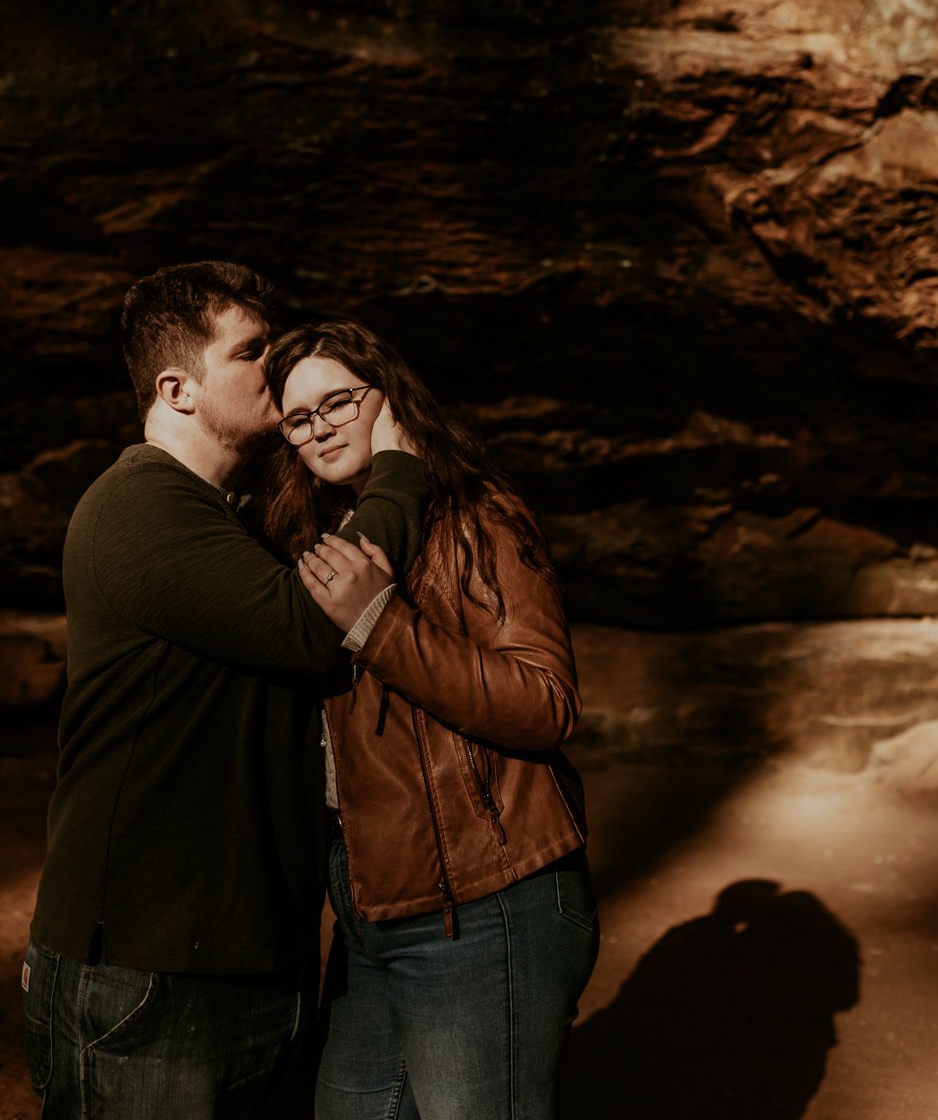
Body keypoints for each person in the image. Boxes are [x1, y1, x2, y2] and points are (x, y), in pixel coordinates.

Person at [22, 262, 428, 1118]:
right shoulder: (140, 505)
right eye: (251, 353)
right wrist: (397, 472)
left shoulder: (226, 516)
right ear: (176, 387)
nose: (276, 371)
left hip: (244, 960)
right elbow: (311, 625)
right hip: (149, 974)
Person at [262, 318, 600, 1120]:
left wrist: (380, 624)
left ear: (389, 397)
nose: (320, 429)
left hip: (485, 897)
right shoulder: (322, 534)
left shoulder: (475, 516)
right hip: (368, 901)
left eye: (338, 401)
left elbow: (546, 703)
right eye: (299, 419)